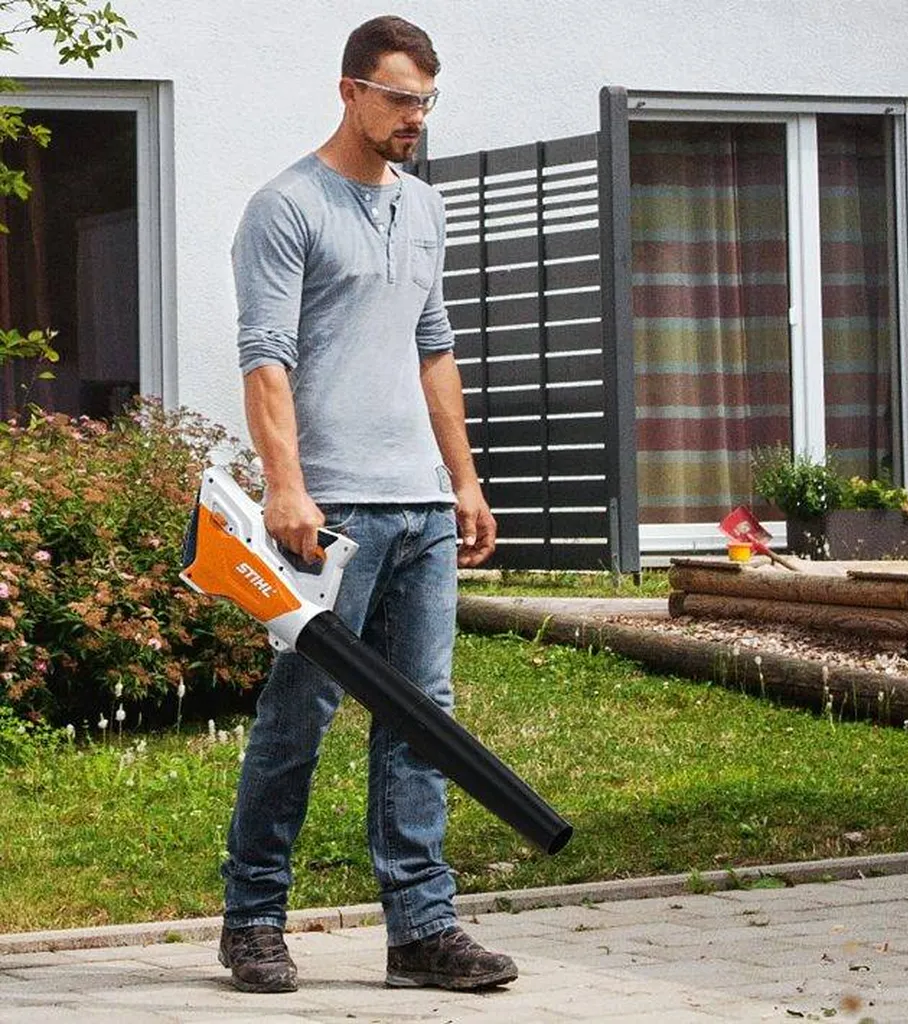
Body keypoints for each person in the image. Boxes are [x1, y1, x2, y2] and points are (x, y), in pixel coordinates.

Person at [218, 15, 515, 995]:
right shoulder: (285, 207)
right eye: (398, 98)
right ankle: (253, 917)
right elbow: (266, 358)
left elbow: (435, 348)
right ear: (350, 91)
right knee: (300, 711)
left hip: (422, 505)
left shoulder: (424, 209)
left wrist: (462, 480)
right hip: (332, 506)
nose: (414, 118)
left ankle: (421, 929)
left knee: (422, 718)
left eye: (425, 101)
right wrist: (287, 486)